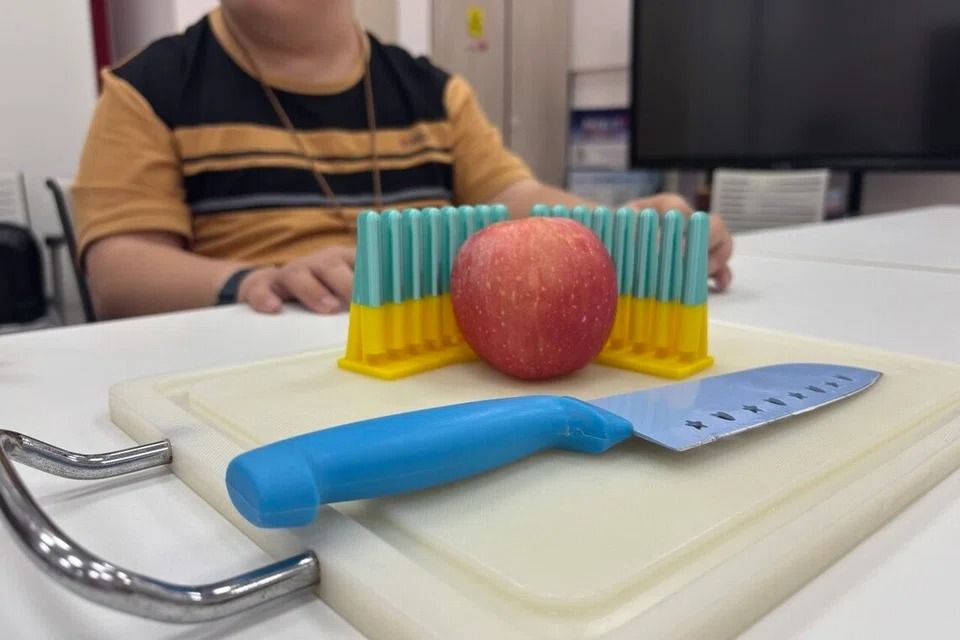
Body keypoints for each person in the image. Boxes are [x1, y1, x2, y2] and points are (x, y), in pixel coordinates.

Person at [73, 0, 732, 320]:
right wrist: (254, 280)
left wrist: (633, 226)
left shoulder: (435, 92)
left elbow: (513, 194)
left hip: (437, 358)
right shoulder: (148, 89)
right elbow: (120, 270)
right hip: (260, 360)